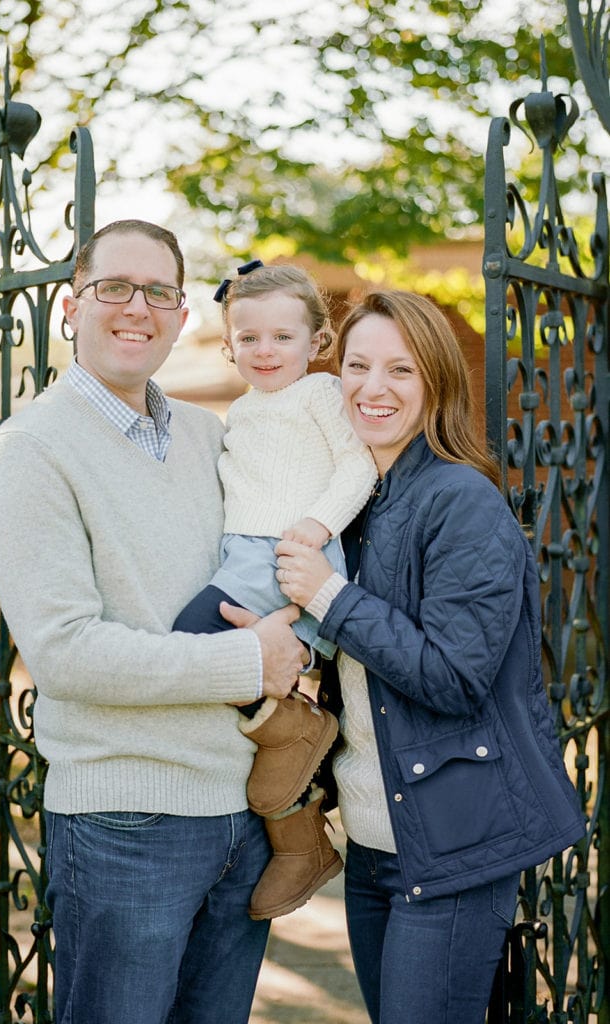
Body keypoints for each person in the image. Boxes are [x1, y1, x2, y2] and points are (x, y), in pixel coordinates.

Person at [0, 219, 310, 1024]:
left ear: (182, 311)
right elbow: (64, 654)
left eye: (160, 291)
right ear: (72, 305)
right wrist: (248, 663)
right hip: (127, 825)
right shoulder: (31, 448)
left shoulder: (208, 432)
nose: (138, 308)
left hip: (245, 818)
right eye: (113, 288)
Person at [274, 290, 586, 1024]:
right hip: (373, 847)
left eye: (400, 370)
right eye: (357, 366)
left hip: (450, 848)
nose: (372, 388)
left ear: (436, 383)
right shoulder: (356, 503)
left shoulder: (459, 501)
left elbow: (453, 677)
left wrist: (328, 596)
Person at [172, 261, 377, 921]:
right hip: (243, 556)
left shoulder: (319, 394)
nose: (264, 351)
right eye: (249, 337)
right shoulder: (241, 409)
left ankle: (297, 740)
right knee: (241, 696)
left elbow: (357, 463)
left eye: (281, 338)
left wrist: (316, 528)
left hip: (286, 556)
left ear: (318, 343)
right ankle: (300, 830)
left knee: (187, 648)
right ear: (229, 344)